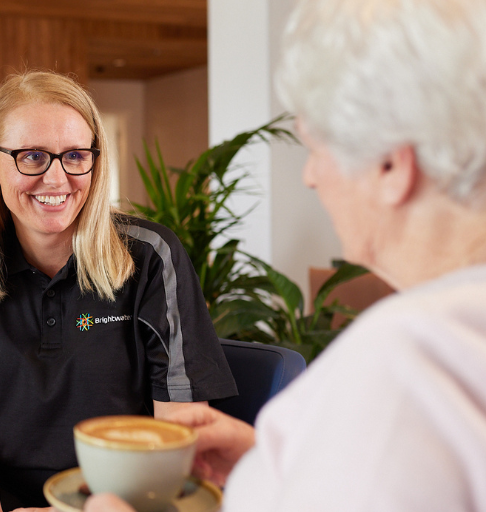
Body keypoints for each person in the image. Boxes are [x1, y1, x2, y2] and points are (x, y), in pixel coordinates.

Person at [85, 0, 486, 510]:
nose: (310, 176)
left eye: (316, 149)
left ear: (391, 165)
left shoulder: (407, 361)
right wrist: (283, 463)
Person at [0, 70, 238, 511]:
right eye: (33, 156)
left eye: (75, 155)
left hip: (122, 498)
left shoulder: (152, 258)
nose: (57, 179)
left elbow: (177, 431)